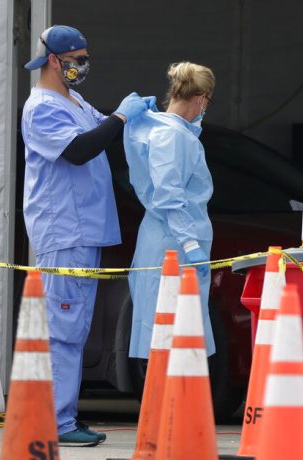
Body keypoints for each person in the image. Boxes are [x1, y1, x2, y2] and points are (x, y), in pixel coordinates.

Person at [21, 25, 151, 446]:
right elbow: (80, 150)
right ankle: (57, 423)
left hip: (84, 231)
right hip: (64, 230)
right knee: (62, 329)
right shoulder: (42, 108)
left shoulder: (72, 99)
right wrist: (119, 115)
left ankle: (63, 417)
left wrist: (146, 119)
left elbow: (106, 135)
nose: (82, 66)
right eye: (76, 60)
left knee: (73, 328)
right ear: (54, 61)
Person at [125, 62, 216, 362]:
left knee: (171, 337)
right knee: (171, 339)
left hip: (166, 242)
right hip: (174, 246)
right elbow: (168, 196)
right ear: (202, 99)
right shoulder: (173, 137)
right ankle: (172, 408)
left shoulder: (158, 130)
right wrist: (191, 244)